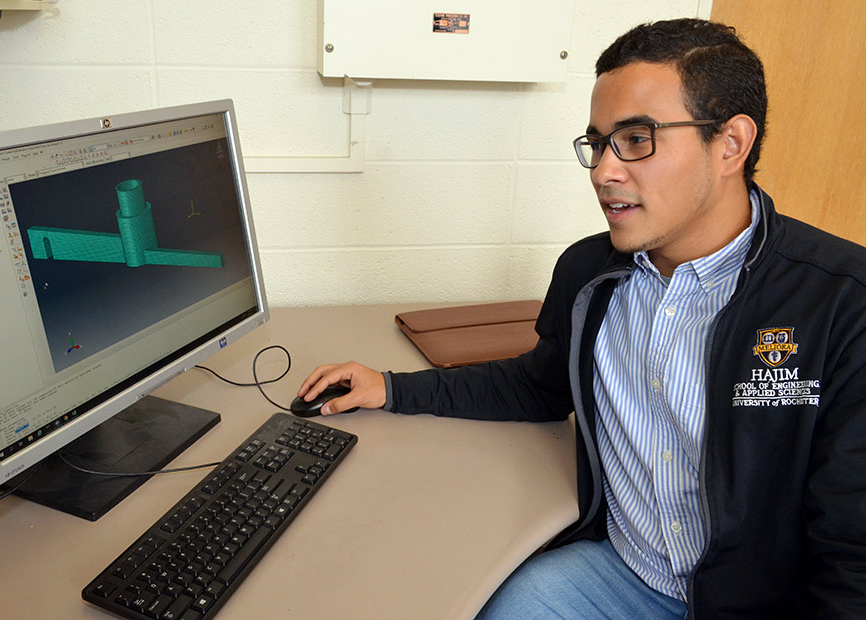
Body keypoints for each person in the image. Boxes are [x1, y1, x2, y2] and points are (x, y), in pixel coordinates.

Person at [296, 18, 866, 620]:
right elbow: (537, 385)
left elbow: (854, 555)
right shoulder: (590, 274)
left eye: (638, 139)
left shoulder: (841, 304)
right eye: (598, 143)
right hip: (626, 573)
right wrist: (389, 387)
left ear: (730, 143)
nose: (603, 171)